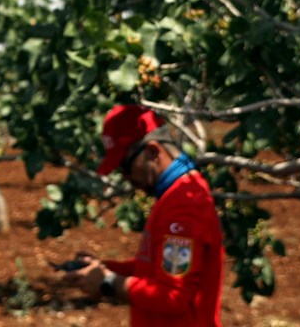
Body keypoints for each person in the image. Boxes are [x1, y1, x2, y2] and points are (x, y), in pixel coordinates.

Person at [65, 104, 224, 326]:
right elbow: (159, 270)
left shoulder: (183, 207)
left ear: (152, 152)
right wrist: (106, 268)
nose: (126, 178)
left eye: (125, 166)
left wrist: (109, 283)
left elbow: (173, 295)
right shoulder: (177, 194)